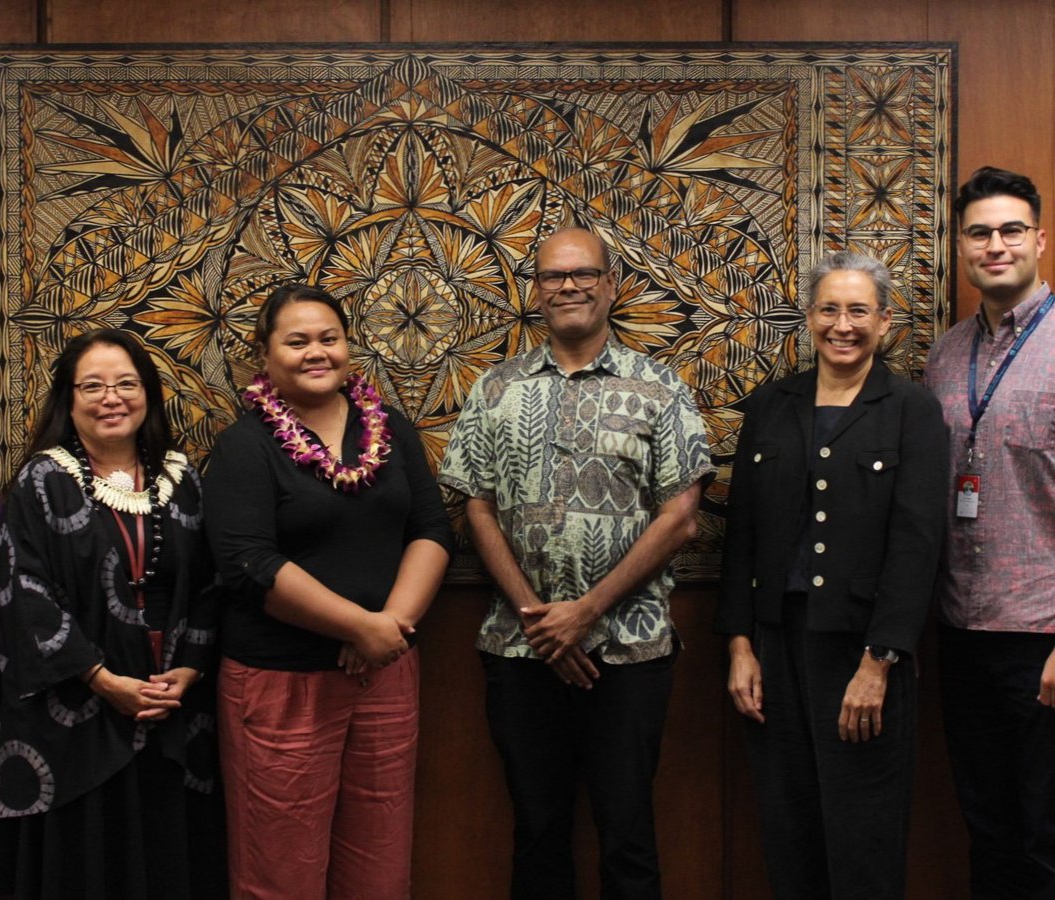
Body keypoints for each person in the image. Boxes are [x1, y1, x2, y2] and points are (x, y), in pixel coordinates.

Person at [438, 226, 715, 900]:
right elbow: (475, 504)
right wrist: (543, 624)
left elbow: (680, 516)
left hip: (629, 653)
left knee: (628, 836)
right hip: (520, 652)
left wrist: (585, 613)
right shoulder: (495, 390)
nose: (569, 285)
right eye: (553, 276)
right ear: (535, 292)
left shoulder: (658, 388)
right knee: (537, 831)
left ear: (611, 284)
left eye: (584, 273)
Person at [203, 283, 453, 900]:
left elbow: (431, 528)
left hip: (386, 670)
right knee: (281, 872)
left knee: (379, 866)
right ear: (263, 356)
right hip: (283, 683)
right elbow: (248, 563)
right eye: (297, 341)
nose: (317, 352)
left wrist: (386, 627)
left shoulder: (390, 426)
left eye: (329, 338)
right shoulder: (245, 446)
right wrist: (355, 627)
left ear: (348, 346)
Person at [716, 251, 948, 899]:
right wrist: (739, 646)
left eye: (858, 311)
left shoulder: (911, 410)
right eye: (828, 309)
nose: (841, 325)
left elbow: (917, 545)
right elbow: (744, 535)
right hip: (774, 648)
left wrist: (879, 663)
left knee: (863, 840)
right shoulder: (772, 405)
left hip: (863, 653)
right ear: (808, 317)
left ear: (885, 321)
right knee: (789, 830)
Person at [0, 329, 221, 899]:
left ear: (149, 393)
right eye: (92, 385)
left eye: (125, 383)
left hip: (172, 705)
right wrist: (101, 679)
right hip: (76, 711)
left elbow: (212, 584)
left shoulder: (181, 477)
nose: (110, 397)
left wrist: (188, 670)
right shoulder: (41, 480)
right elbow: (22, 589)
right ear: (68, 400)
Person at [924, 166, 1055, 900]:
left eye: (1010, 230)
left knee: (1046, 839)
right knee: (988, 830)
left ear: (1038, 239)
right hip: (962, 632)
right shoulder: (945, 356)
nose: (995, 244)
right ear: (962, 247)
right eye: (979, 232)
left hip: (1043, 638)